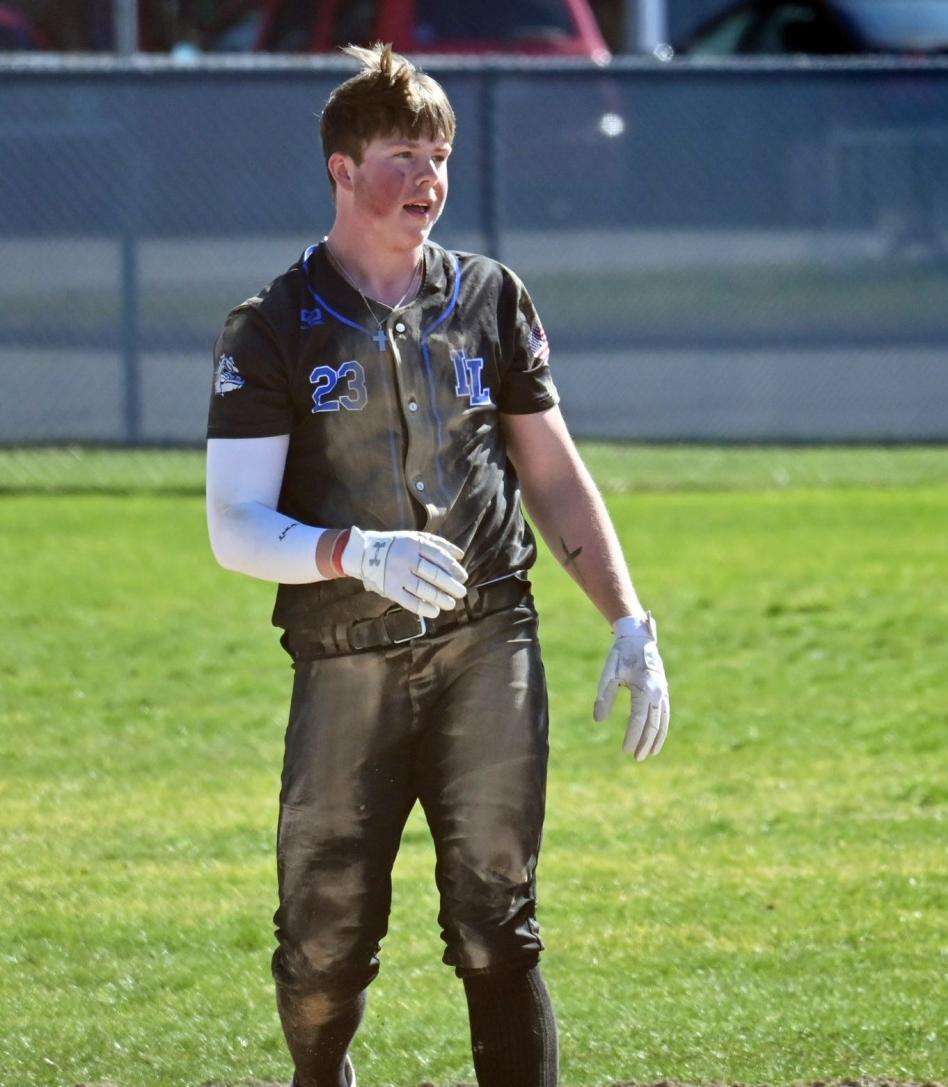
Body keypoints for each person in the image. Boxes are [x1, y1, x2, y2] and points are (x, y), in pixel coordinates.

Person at [205, 42, 670, 1087]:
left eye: (442, 155)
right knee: (322, 940)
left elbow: (551, 473)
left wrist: (628, 616)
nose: (429, 179)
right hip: (346, 652)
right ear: (341, 168)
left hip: (485, 638)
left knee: (497, 919)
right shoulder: (272, 324)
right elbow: (233, 524)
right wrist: (351, 552)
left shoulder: (489, 298)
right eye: (405, 154)